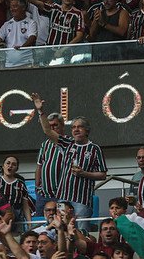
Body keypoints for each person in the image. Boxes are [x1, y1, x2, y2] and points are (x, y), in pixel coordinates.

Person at [32, 93, 107, 230]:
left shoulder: (94, 148)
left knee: (81, 230)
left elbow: (103, 174)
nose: (75, 130)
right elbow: (48, 131)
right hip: (62, 198)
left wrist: (84, 173)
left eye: (79, 127)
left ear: (87, 130)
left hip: (82, 199)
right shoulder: (67, 143)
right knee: (62, 229)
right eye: (73, 127)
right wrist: (41, 111)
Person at [0, 0, 38, 68]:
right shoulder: (7, 24)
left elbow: (32, 38)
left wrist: (22, 47)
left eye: (15, 6)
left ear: (23, 7)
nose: (12, 9)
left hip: (27, 64)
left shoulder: (31, 23)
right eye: (11, 7)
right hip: (9, 65)